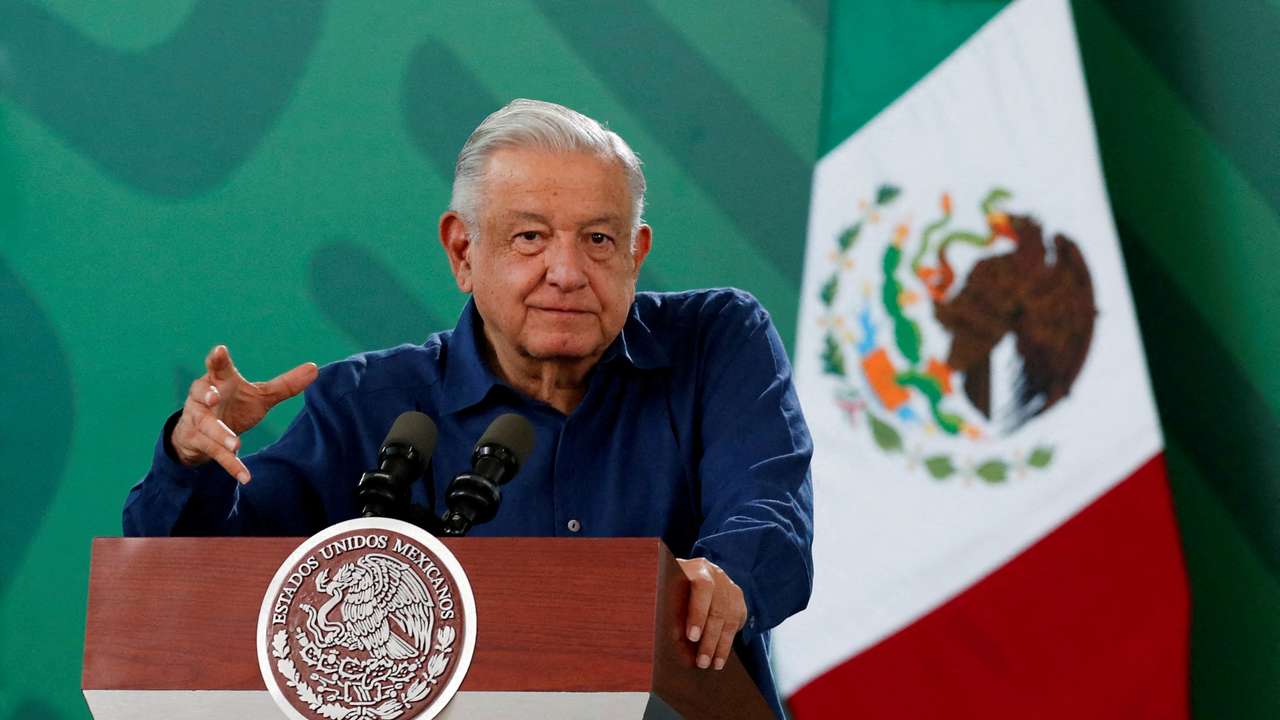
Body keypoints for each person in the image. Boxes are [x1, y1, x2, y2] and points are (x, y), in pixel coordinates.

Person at [124, 99, 813, 717]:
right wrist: (192, 460)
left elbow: (771, 513)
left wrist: (725, 577)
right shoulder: (370, 405)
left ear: (636, 255)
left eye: (599, 240)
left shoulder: (717, 342)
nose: (567, 272)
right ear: (462, 250)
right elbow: (198, 577)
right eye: (530, 237)